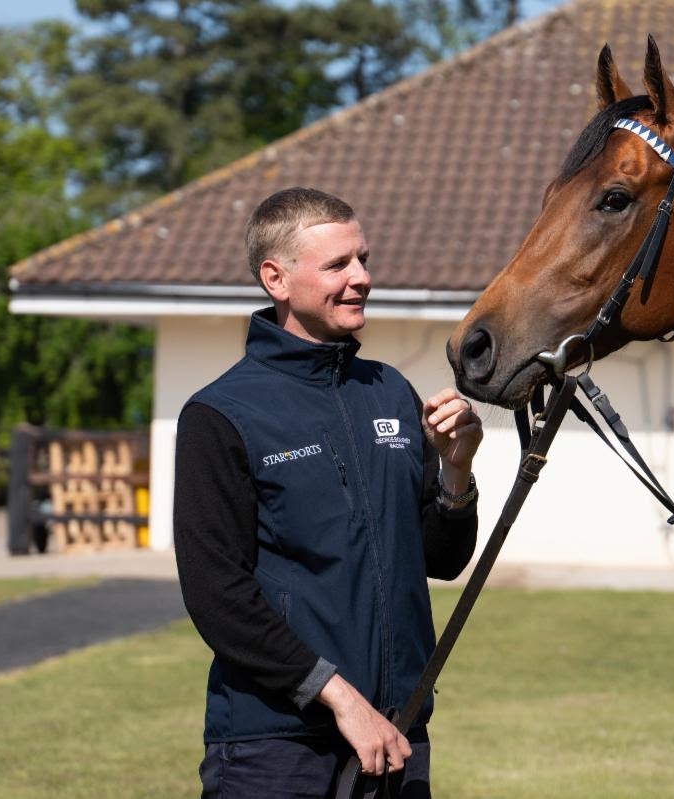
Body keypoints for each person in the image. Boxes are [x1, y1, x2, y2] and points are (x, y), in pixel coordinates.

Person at [173, 186, 482, 798]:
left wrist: (456, 473)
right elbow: (218, 596)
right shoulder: (220, 414)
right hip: (276, 746)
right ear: (276, 279)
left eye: (363, 259)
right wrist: (338, 697)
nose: (361, 278)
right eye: (338, 264)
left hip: (397, 732)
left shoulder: (390, 392)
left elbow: (442, 561)